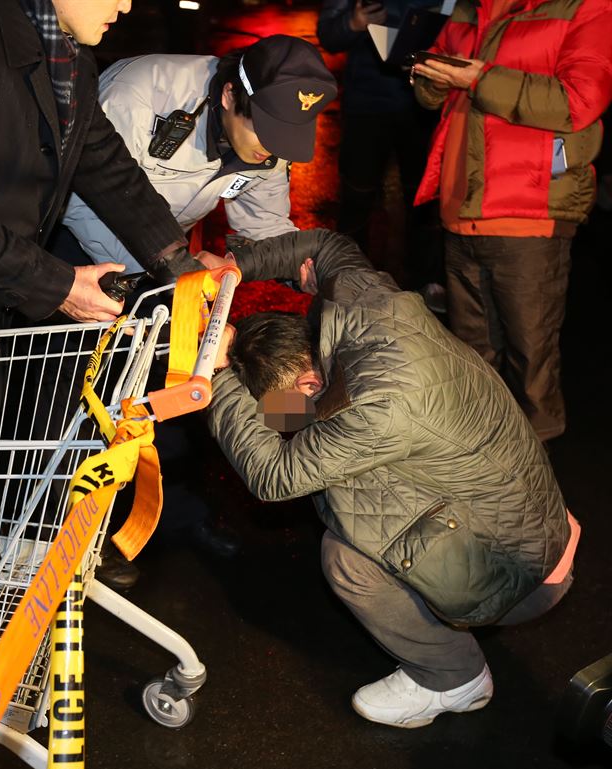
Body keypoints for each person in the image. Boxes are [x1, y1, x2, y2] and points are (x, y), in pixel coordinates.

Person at [199, 228, 579, 728]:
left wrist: (219, 372)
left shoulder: (375, 408)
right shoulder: (366, 308)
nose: (276, 420)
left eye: (276, 407)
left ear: (310, 382)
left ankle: (453, 679)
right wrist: (233, 266)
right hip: (536, 522)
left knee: (346, 556)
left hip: (524, 570)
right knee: (332, 463)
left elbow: (274, 475)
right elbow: (324, 247)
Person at [0, 0, 212, 590]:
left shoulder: (71, 56)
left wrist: (178, 267)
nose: (129, 4)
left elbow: (104, 164)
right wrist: (57, 285)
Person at [410, 0, 612, 442]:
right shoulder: (468, 8)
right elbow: (432, 84)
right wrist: (428, 76)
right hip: (461, 209)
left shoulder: (585, 7)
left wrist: (478, 78)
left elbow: (579, 100)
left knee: (531, 363)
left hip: (528, 210)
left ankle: (539, 482)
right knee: (472, 360)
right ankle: (481, 467)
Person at [61, 35, 338, 272]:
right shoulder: (141, 93)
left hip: (164, 254)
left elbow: (263, 220)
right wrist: (164, 275)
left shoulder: (269, 135)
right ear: (229, 95)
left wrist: (304, 265)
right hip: (72, 243)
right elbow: (82, 200)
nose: (272, 149)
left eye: (285, 135)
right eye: (266, 133)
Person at [317, 0, 445, 301]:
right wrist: (353, 23)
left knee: (425, 197)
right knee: (357, 196)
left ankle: (428, 281)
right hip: (367, 104)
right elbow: (328, 34)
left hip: (425, 104)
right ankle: (349, 281)